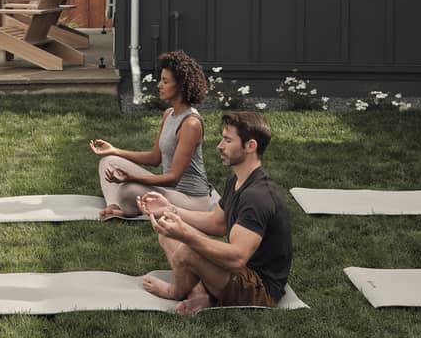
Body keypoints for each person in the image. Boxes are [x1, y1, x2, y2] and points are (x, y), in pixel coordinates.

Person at [138, 111, 292, 316]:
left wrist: (185, 235)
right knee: (167, 232)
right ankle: (201, 292)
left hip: (259, 289)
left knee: (187, 249)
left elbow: (237, 257)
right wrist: (169, 209)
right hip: (237, 273)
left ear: (250, 146)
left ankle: (176, 291)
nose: (220, 145)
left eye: (228, 140)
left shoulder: (258, 197)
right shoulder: (237, 180)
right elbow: (216, 223)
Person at [89, 50, 215, 219]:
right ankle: (114, 205)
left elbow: (172, 178)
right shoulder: (169, 114)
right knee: (108, 161)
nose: (159, 85)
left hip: (191, 200)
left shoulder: (191, 124)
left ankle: (126, 207)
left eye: (165, 81)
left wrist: (132, 177)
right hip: (170, 191)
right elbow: (154, 158)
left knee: (129, 189)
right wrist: (114, 150)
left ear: (181, 85)